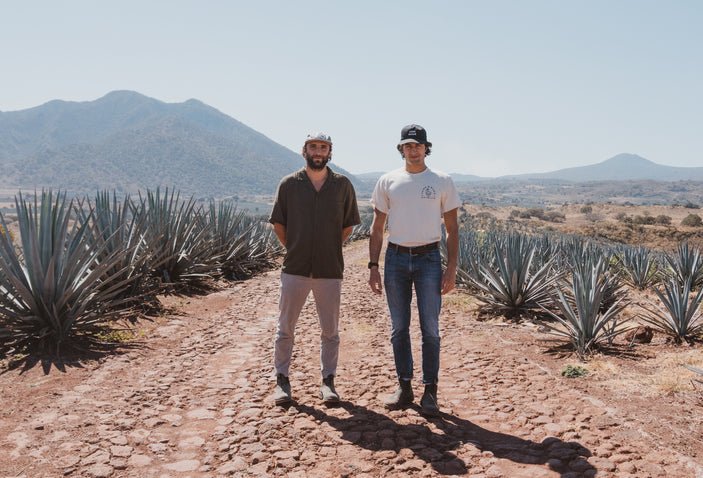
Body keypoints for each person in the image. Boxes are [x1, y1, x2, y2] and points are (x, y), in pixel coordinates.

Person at [368, 124, 461, 416]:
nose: (413, 149)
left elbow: (452, 229)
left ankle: (430, 390)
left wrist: (452, 268)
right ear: (401, 148)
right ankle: (404, 386)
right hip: (395, 259)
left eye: (417, 145)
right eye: (407, 145)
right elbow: (377, 227)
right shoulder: (388, 181)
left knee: (430, 328)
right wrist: (373, 266)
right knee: (399, 328)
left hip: (429, 260)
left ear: (426, 148)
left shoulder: (442, 181)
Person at [269, 131, 360, 406]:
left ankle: (328, 382)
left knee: (330, 331)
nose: (318, 151)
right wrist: (296, 247)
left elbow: (347, 226)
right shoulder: (288, 185)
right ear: (304, 150)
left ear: (330, 152)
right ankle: (282, 381)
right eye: (313, 147)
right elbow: (278, 224)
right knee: (285, 328)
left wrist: (327, 247)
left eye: (323, 147)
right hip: (294, 267)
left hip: (329, 269)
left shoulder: (343, 185)